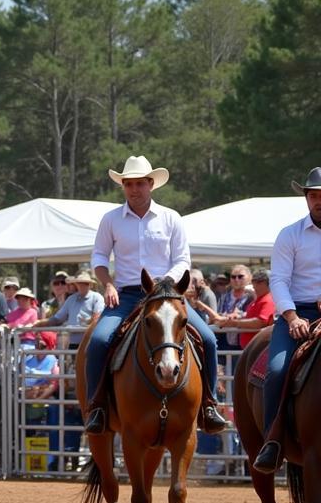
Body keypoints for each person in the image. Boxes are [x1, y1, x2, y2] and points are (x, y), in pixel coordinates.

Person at [84, 155, 227, 436]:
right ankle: (97, 407)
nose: (133, 189)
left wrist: (165, 285)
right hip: (125, 296)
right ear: (123, 186)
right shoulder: (111, 219)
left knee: (208, 340)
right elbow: (99, 256)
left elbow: (182, 259)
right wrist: (108, 284)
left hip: (167, 297)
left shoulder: (171, 217)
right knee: (98, 341)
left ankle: (209, 405)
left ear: (151, 184)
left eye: (139, 183)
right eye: (128, 184)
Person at [252, 168, 321, 473]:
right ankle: (273, 440)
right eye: (314, 195)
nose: (318, 201)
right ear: (306, 198)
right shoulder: (290, 234)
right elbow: (278, 279)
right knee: (277, 368)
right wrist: (291, 316)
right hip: (297, 312)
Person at [28, 270, 105, 349]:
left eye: (85, 283)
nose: (82, 285)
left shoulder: (97, 298)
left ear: (90, 285)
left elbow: (97, 318)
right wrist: (39, 323)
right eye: (79, 283)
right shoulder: (71, 299)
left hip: (90, 342)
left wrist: (85, 327)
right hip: (73, 342)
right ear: (76, 284)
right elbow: (57, 319)